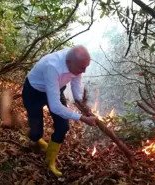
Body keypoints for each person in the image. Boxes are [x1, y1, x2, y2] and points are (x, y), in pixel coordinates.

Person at [22, 45, 98, 176]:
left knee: (63, 126)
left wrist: (82, 105)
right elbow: (56, 106)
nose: (84, 71)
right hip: (34, 91)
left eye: (86, 67)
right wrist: (83, 118)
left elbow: (76, 85)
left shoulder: (75, 62)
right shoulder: (52, 66)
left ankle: (49, 161)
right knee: (36, 129)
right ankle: (36, 138)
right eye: (82, 68)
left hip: (56, 89)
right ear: (69, 63)